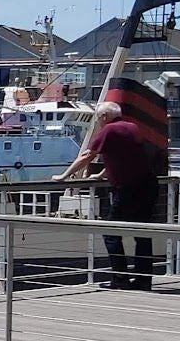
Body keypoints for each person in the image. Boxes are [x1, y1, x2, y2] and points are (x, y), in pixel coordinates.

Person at [61, 99, 161, 289]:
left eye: (99, 118)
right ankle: (143, 279)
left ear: (105, 117)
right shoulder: (132, 127)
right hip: (148, 184)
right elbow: (124, 156)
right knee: (142, 233)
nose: (98, 122)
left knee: (111, 232)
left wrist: (65, 176)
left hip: (128, 187)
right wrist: (100, 174)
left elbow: (87, 155)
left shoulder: (110, 130)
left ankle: (120, 279)